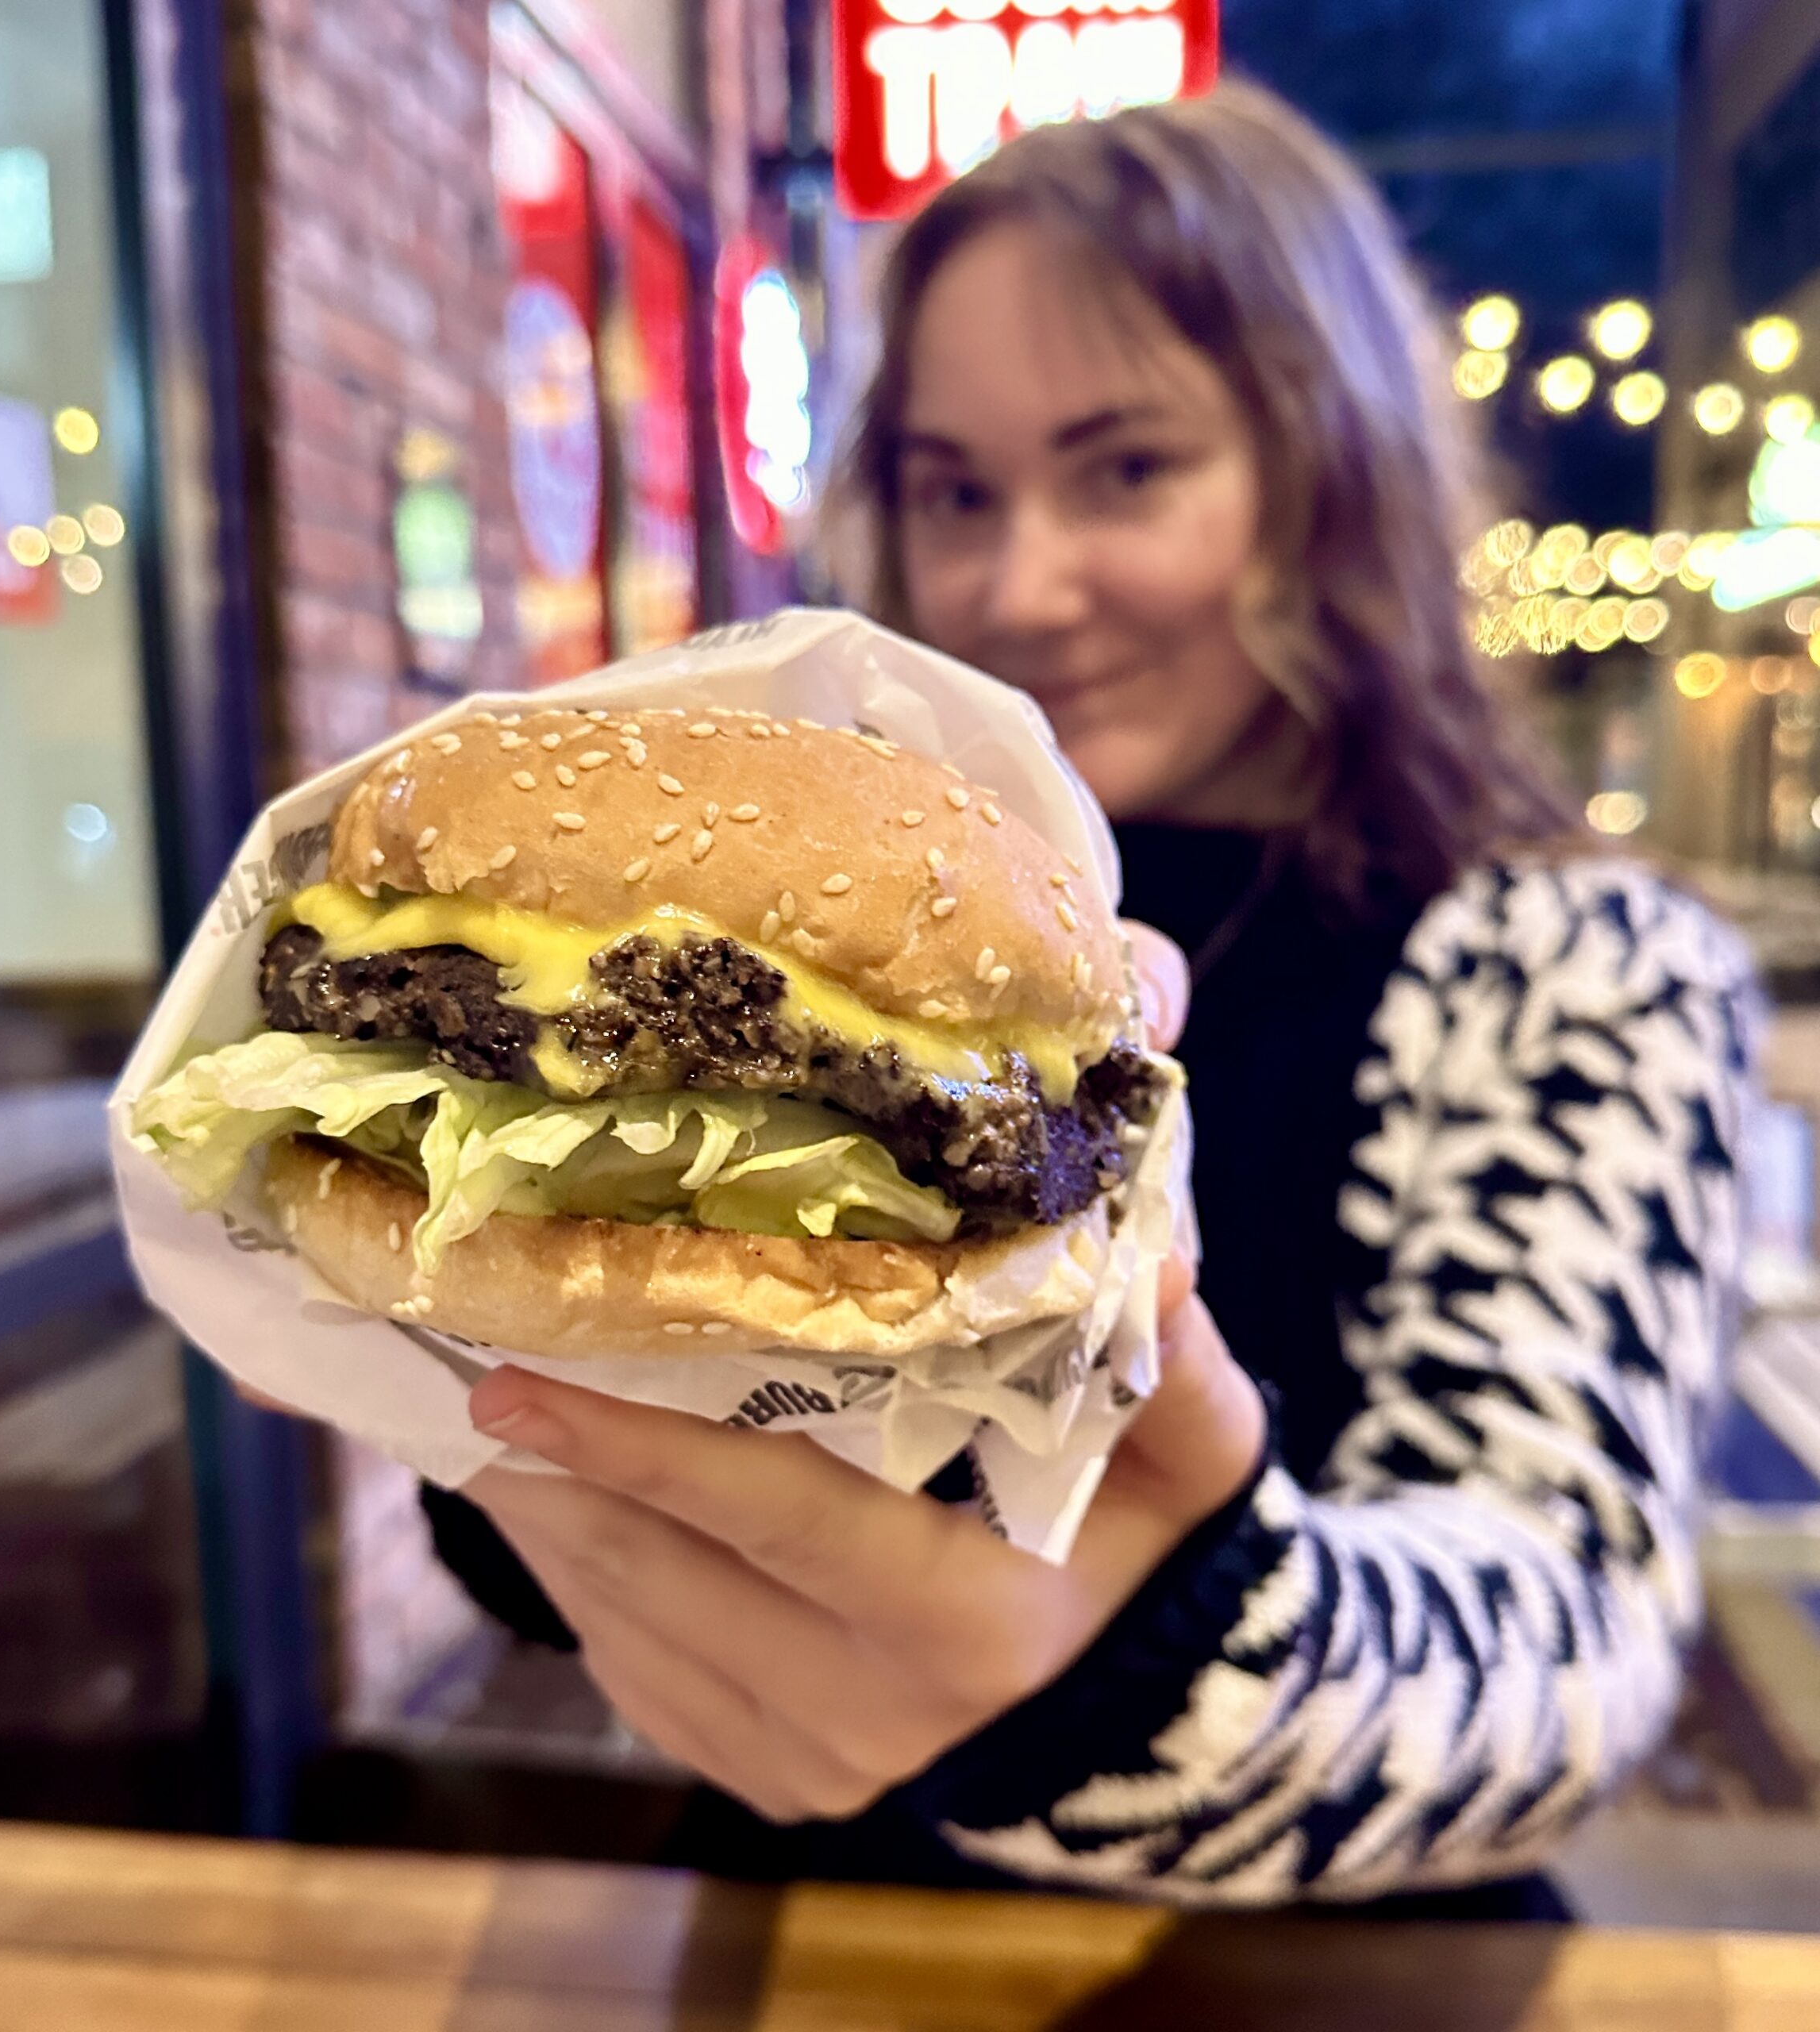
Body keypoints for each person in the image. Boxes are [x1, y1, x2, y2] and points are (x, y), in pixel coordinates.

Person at [424, 79, 1757, 1910]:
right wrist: (538, 1428)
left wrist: (1143, 1662)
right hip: (808, 1933)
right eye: (949, 488)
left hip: (1337, 1978)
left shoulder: (1571, 968)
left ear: (1328, 473)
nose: (1014, 583)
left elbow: (1560, 1641)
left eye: (1124, 467)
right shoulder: (781, 934)